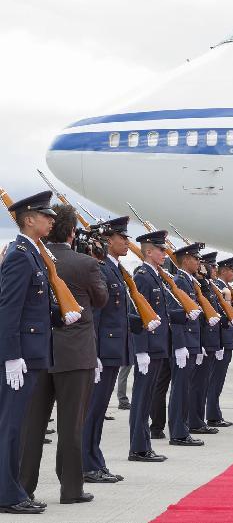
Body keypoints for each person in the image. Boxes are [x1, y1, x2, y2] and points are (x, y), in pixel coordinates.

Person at [20, 203, 108, 506]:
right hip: (76, 353)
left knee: (33, 427)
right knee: (71, 426)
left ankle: (23, 488)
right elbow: (101, 299)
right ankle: (71, 489)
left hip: (40, 350)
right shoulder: (85, 263)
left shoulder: (33, 256)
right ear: (73, 232)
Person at [0, 191, 57, 515]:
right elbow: (9, 309)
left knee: (18, 425)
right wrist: (10, 355)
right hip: (20, 357)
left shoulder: (34, 253)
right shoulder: (21, 254)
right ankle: (7, 494)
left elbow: (35, 306)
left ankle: (14, 489)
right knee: (11, 426)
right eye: (45, 215)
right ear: (29, 219)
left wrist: (61, 314)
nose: (51, 220)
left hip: (32, 353)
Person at [83, 216, 139, 484]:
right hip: (103, 350)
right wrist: (93, 352)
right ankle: (87, 464)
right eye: (122, 238)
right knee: (93, 410)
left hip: (114, 347)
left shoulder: (114, 268)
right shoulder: (101, 268)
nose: (126, 242)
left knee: (99, 410)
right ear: (108, 240)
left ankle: (95, 460)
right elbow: (95, 314)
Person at [130, 230, 182, 463]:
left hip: (159, 346)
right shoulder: (142, 276)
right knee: (142, 398)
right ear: (148, 251)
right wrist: (141, 349)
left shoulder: (156, 276)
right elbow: (138, 314)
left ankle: (144, 446)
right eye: (161, 250)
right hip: (149, 348)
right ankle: (139, 448)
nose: (164, 253)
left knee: (148, 396)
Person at [167, 242, 207, 447]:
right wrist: (181, 345)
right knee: (180, 389)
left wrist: (197, 344)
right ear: (186, 260)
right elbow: (176, 316)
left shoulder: (190, 282)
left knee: (185, 389)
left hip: (192, 342)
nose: (199, 262)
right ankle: (177, 432)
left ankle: (181, 430)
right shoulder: (179, 282)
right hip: (184, 344)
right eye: (196, 258)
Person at [187, 251, 223, 436]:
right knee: (197, 384)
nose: (213, 269)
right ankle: (194, 421)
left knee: (202, 384)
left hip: (209, 342)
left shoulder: (206, 285)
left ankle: (198, 420)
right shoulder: (197, 284)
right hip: (202, 341)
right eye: (210, 265)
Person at [206, 256, 233, 428]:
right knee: (215, 379)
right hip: (221, 341)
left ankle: (214, 412)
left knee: (218, 380)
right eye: (232, 270)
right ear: (224, 271)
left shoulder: (226, 288)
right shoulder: (218, 288)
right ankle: (212, 414)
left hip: (227, 340)